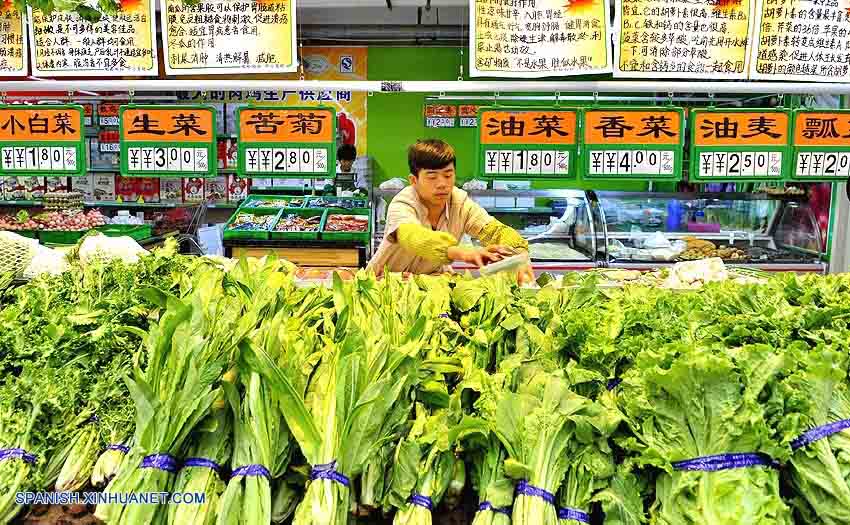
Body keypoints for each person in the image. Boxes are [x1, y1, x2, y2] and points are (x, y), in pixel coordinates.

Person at [367, 139, 534, 284]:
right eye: (432, 177)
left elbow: (495, 231)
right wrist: (460, 252)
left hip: (431, 285)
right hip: (384, 286)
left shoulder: (460, 202)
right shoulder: (403, 203)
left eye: (448, 175)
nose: (442, 184)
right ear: (414, 180)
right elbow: (412, 236)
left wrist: (519, 254)